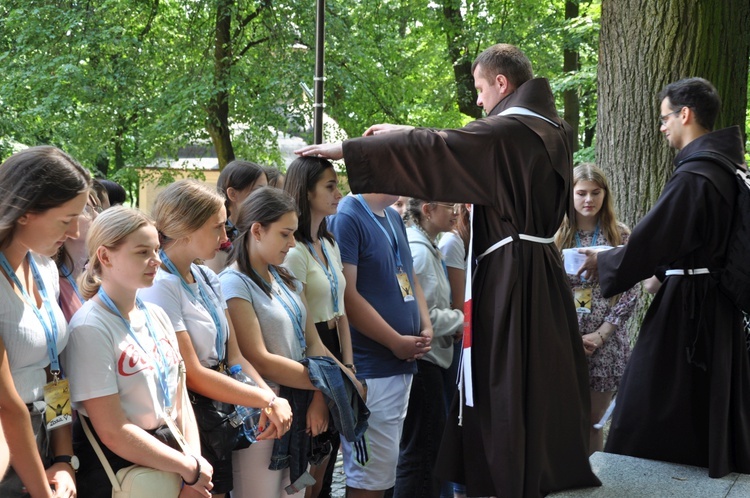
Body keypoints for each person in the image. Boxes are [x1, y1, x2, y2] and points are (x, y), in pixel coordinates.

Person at [296, 43, 599, 497]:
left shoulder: (511, 131)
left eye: (480, 89)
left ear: (502, 83)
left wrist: (353, 150)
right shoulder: (550, 128)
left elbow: (449, 147)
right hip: (536, 269)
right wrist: (405, 130)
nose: (478, 101)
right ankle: (535, 464)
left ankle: (506, 472)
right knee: (535, 374)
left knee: (505, 376)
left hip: (510, 275)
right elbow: (459, 144)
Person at [577, 77, 750, 477]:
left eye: (665, 117)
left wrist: (603, 263)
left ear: (685, 114)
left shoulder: (698, 174)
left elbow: (655, 238)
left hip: (690, 308)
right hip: (715, 306)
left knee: (645, 401)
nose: (661, 126)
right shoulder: (727, 169)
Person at [139, 180, 293, 496]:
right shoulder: (162, 285)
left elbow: (234, 356)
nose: (225, 239)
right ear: (185, 229)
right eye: (217, 228)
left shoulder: (207, 275)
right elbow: (192, 373)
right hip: (190, 417)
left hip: (219, 411)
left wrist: (270, 398)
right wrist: (266, 399)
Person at [64, 206, 214, 497]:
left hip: (174, 463)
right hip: (123, 473)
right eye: (142, 252)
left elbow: (180, 399)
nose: (156, 260)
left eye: (157, 249)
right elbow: (113, 430)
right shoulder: (89, 328)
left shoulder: (156, 314)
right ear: (105, 257)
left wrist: (194, 468)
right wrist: (188, 468)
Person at [219, 187, 354, 498]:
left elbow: (315, 346)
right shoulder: (233, 281)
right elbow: (259, 358)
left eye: (294, 233)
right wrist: (333, 385)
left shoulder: (286, 277)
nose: (293, 243)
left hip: (301, 403)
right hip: (263, 411)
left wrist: (324, 395)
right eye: (285, 234)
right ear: (257, 230)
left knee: (296, 492)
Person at [327, 193, 433, 498]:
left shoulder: (393, 216)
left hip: (399, 364)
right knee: (368, 480)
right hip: (371, 368)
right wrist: (394, 341)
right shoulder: (349, 214)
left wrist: (425, 324)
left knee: (384, 474)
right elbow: (347, 294)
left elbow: (410, 277)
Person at [0, 146, 91, 498]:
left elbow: (54, 371)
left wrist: (64, 457)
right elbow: (8, 406)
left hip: (41, 441)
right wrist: (41, 490)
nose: (73, 232)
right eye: (66, 218)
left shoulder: (45, 269)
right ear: (26, 212)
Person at [554, 164, 639, 454]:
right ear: (570, 196)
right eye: (581, 193)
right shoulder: (554, 237)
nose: (588, 199)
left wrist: (601, 335)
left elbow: (632, 291)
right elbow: (547, 292)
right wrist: (569, 336)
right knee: (563, 417)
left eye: (595, 192)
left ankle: (592, 481)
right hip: (564, 340)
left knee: (594, 421)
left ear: (605, 195)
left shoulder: (620, 236)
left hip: (606, 343)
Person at [282, 157, 353, 498]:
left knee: (327, 458)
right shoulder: (293, 251)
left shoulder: (329, 244)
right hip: (313, 360)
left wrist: (351, 367)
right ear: (307, 192)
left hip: (336, 354)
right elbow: (303, 331)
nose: (339, 193)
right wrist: (318, 395)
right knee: (310, 463)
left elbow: (342, 311)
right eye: (330, 186)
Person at [395, 198, 463, 498]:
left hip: (430, 359)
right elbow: (421, 314)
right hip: (425, 360)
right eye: (449, 206)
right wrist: (462, 321)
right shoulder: (419, 253)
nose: (456, 212)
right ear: (428, 210)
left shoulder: (427, 245)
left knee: (424, 451)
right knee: (423, 454)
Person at [205, 160, 268, 274]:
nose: (265, 198)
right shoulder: (216, 240)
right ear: (232, 194)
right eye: (258, 191)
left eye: (266, 191)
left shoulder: (260, 230)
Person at [56, 192, 103, 321]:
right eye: (86, 209)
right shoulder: (50, 280)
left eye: (97, 208)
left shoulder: (99, 279)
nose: (97, 216)